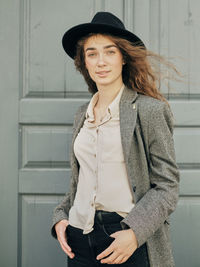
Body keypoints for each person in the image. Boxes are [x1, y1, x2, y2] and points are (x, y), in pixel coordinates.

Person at [51, 12, 180, 267]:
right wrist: (60, 217)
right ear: (83, 63)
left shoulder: (149, 110)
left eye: (110, 51)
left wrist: (135, 233)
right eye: (92, 53)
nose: (101, 61)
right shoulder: (81, 116)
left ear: (123, 57)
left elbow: (167, 186)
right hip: (79, 242)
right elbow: (80, 184)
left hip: (126, 239)